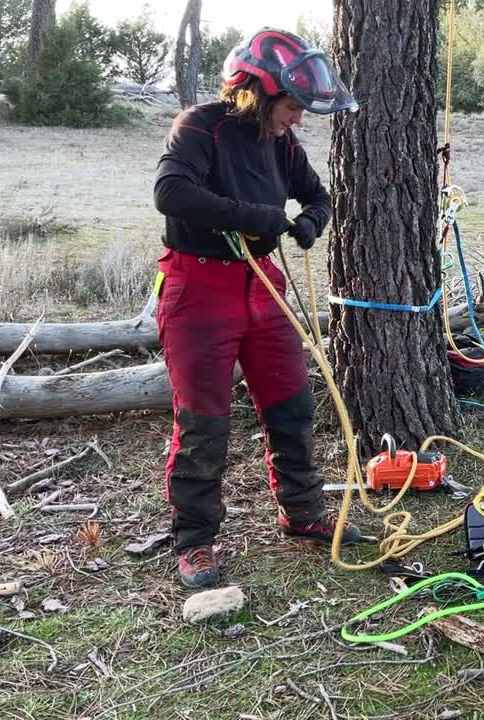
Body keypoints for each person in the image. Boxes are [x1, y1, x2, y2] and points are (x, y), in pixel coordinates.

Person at [153, 28, 361, 588]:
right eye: (292, 107)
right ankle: (195, 542)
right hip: (197, 289)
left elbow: (317, 195)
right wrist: (255, 216)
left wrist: (312, 221)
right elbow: (170, 194)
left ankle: (303, 513)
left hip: (263, 286)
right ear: (259, 93)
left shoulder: (282, 142)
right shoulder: (201, 126)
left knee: (292, 403)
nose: (298, 120)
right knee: (202, 422)